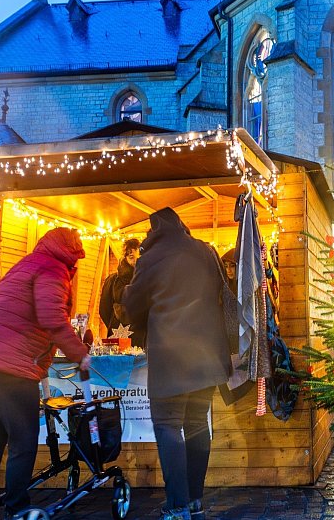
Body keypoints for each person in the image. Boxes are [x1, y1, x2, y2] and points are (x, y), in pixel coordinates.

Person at [0, 228, 92, 520]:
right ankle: (17, 508)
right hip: (9, 366)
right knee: (23, 440)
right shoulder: (53, 270)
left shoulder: (27, 264)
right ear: (70, 254)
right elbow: (52, 318)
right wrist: (80, 354)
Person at [123, 208, 231, 520]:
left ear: (153, 231)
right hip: (207, 356)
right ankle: (195, 499)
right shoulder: (204, 250)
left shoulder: (152, 258)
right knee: (197, 424)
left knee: (168, 425)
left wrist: (135, 299)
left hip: (172, 358)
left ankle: (177, 505)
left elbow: (132, 306)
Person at [98, 237, 141, 336]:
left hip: (141, 335)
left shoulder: (146, 279)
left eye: (138, 258)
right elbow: (104, 309)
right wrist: (115, 325)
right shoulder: (113, 280)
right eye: (131, 257)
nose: (135, 261)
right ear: (125, 257)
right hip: (119, 333)